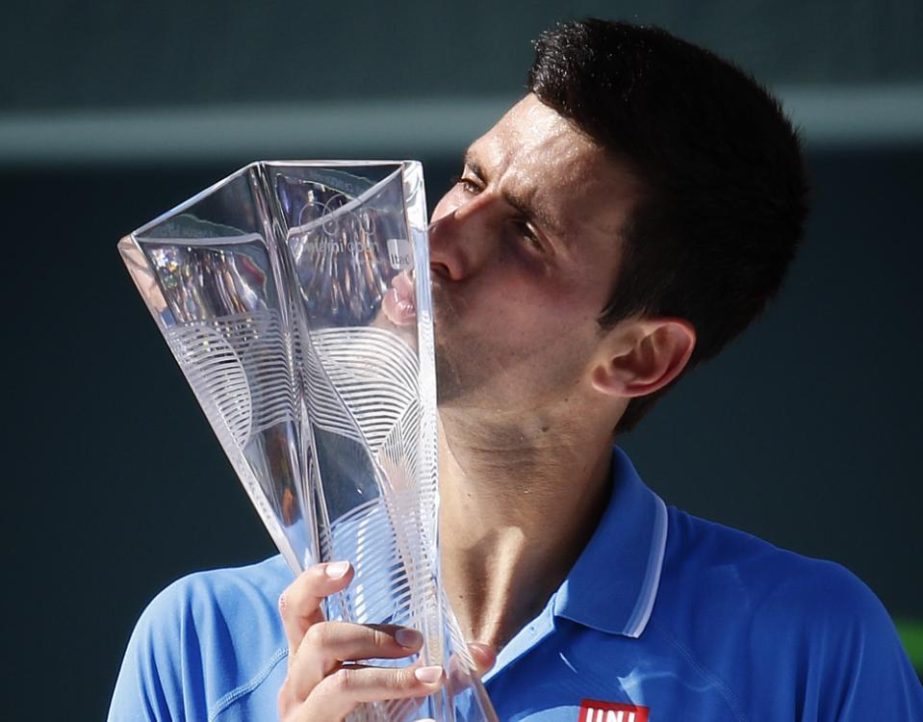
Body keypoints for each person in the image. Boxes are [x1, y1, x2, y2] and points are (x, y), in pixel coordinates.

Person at [109, 18, 923, 721]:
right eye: (469, 179)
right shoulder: (199, 642)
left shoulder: (810, 644)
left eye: (526, 232)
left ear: (639, 356)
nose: (437, 240)